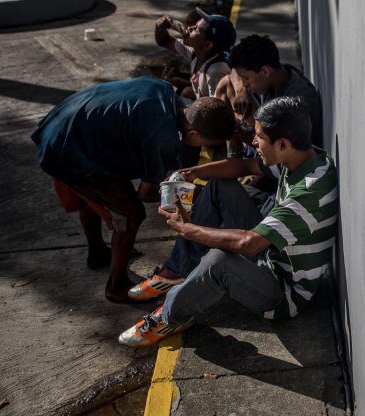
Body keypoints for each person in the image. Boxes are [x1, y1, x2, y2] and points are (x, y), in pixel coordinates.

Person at [118, 96, 340, 347]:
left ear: (281, 144)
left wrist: (189, 230)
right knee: (220, 187)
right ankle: (177, 272)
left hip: (283, 292)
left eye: (259, 137)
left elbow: (249, 244)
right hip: (272, 255)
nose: (253, 141)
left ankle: (170, 316)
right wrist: (194, 172)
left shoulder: (308, 193)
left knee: (219, 261)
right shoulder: (305, 159)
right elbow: (242, 166)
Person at [31, 77, 236, 302]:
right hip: (67, 149)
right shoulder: (161, 136)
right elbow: (147, 193)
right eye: (206, 143)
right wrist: (199, 195)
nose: (205, 148)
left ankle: (98, 252)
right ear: (194, 134)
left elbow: (183, 159)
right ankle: (116, 286)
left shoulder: (169, 94)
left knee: (97, 197)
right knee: (129, 213)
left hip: (63, 125)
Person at [228, 34, 323, 149]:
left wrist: (248, 138)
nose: (244, 83)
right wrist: (241, 92)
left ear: (265, 72)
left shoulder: (295, 106)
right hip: (270, 134)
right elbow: (234, 72)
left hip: (284, 156)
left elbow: (285, 154)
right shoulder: (279, 74)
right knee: (226, 83)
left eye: (246, 78)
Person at [154, 7, 236, 99]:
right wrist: (159, 27)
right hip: (203, 106)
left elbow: (217, 109)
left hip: (209, 111)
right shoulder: (196, 53)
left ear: (207, 45)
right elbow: (164, 41)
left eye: (196, 29)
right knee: (180, 89)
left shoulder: (216, 71)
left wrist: (182, 108)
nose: (189, 28)